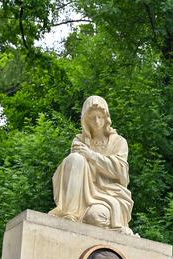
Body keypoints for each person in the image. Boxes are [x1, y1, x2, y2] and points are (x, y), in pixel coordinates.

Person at [50, 96, 135, 233]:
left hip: (109, 194)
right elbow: (73, 170)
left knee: (96, 217)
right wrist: (81, 160)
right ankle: (69, 214)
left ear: (106, 117)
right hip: (82, 194)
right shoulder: (79, 140)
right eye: (92, 117)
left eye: (100, 117)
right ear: (85, 119)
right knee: (75, 159)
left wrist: (91, 155)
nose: (96, 121)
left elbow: (120, 171)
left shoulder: (118, 142)